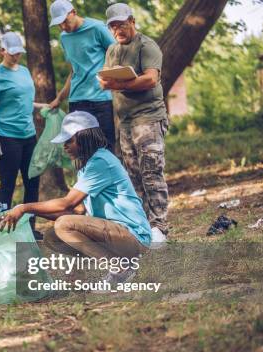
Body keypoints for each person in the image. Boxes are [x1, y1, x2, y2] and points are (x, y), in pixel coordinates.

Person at [0, 111, 151, 284]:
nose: (64, 146)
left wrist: (24, 207)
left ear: (84, 137)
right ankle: (78, 278)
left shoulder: (100, 161)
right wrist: (30, 213)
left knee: (64, 225)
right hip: (117, 235)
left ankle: (120, 269)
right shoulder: (88, 166)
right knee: (53, 236)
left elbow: (67, 203)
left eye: (69, 141)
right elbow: (76, 210)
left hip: (133, 237)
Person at [98, 3, 169, 244]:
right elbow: (106, 78)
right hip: (125, 122)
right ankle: (141, 225)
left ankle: (160, 227)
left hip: (148, 119)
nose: (118, 29)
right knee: (132, 176)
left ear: (132, 21)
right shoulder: (112, 51)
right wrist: (107, 82)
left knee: (151, 172)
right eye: (113, 26)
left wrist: (121, 85)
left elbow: (151, 79)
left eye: (121, 23)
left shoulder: (146, 46)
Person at [0, 32, 44, 239]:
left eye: (19, 52)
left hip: (28, 135)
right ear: (2, 51)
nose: (16, 56)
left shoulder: (25, 71)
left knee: (32, 183)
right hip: (7, 137)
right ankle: (2, 232)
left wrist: (42, 107)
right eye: (12, 53)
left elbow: (22, 100)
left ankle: (30, 229)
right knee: (7, 185)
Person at [47, 0, 116, 151]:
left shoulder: (97, 28)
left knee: (105, 148)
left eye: (65, 21)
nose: (63, 27)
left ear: (74, 12)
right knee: (82, 151)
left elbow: (117, 55)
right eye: (59, 24)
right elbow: (74, 71)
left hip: (101, 100)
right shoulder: (64, 37)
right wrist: (59, 99)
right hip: (77, 102)